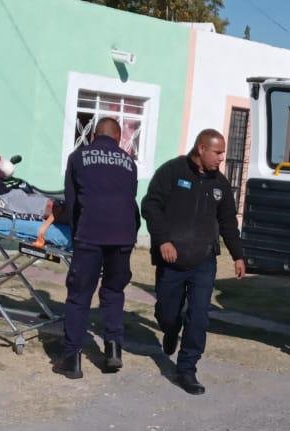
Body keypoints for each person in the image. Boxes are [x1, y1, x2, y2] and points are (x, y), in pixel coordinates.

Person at [141, 129, 246, 395]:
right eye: (218, 152)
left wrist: (238, 255)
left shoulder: (220, 184)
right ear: (201, 148)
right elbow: (150, 206)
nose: (222, 158)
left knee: (198, 316)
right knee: (168, 313)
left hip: (203, 260)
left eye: (223, 153)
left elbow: (228, 223)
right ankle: (169, 328)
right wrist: (163, 240)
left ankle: (187, 369)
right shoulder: (172, 172)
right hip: (172, 258)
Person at [54, 119, 140, 379]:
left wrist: (71, 228)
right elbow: (130, 198)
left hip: (90, 233)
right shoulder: (129, 162)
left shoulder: (78, 156)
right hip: (124, 235)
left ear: (93, 134)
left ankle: (72, 359)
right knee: (113, 292)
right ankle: (113, 349)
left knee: (80, 295)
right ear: (118, 138)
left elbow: (71, 202)